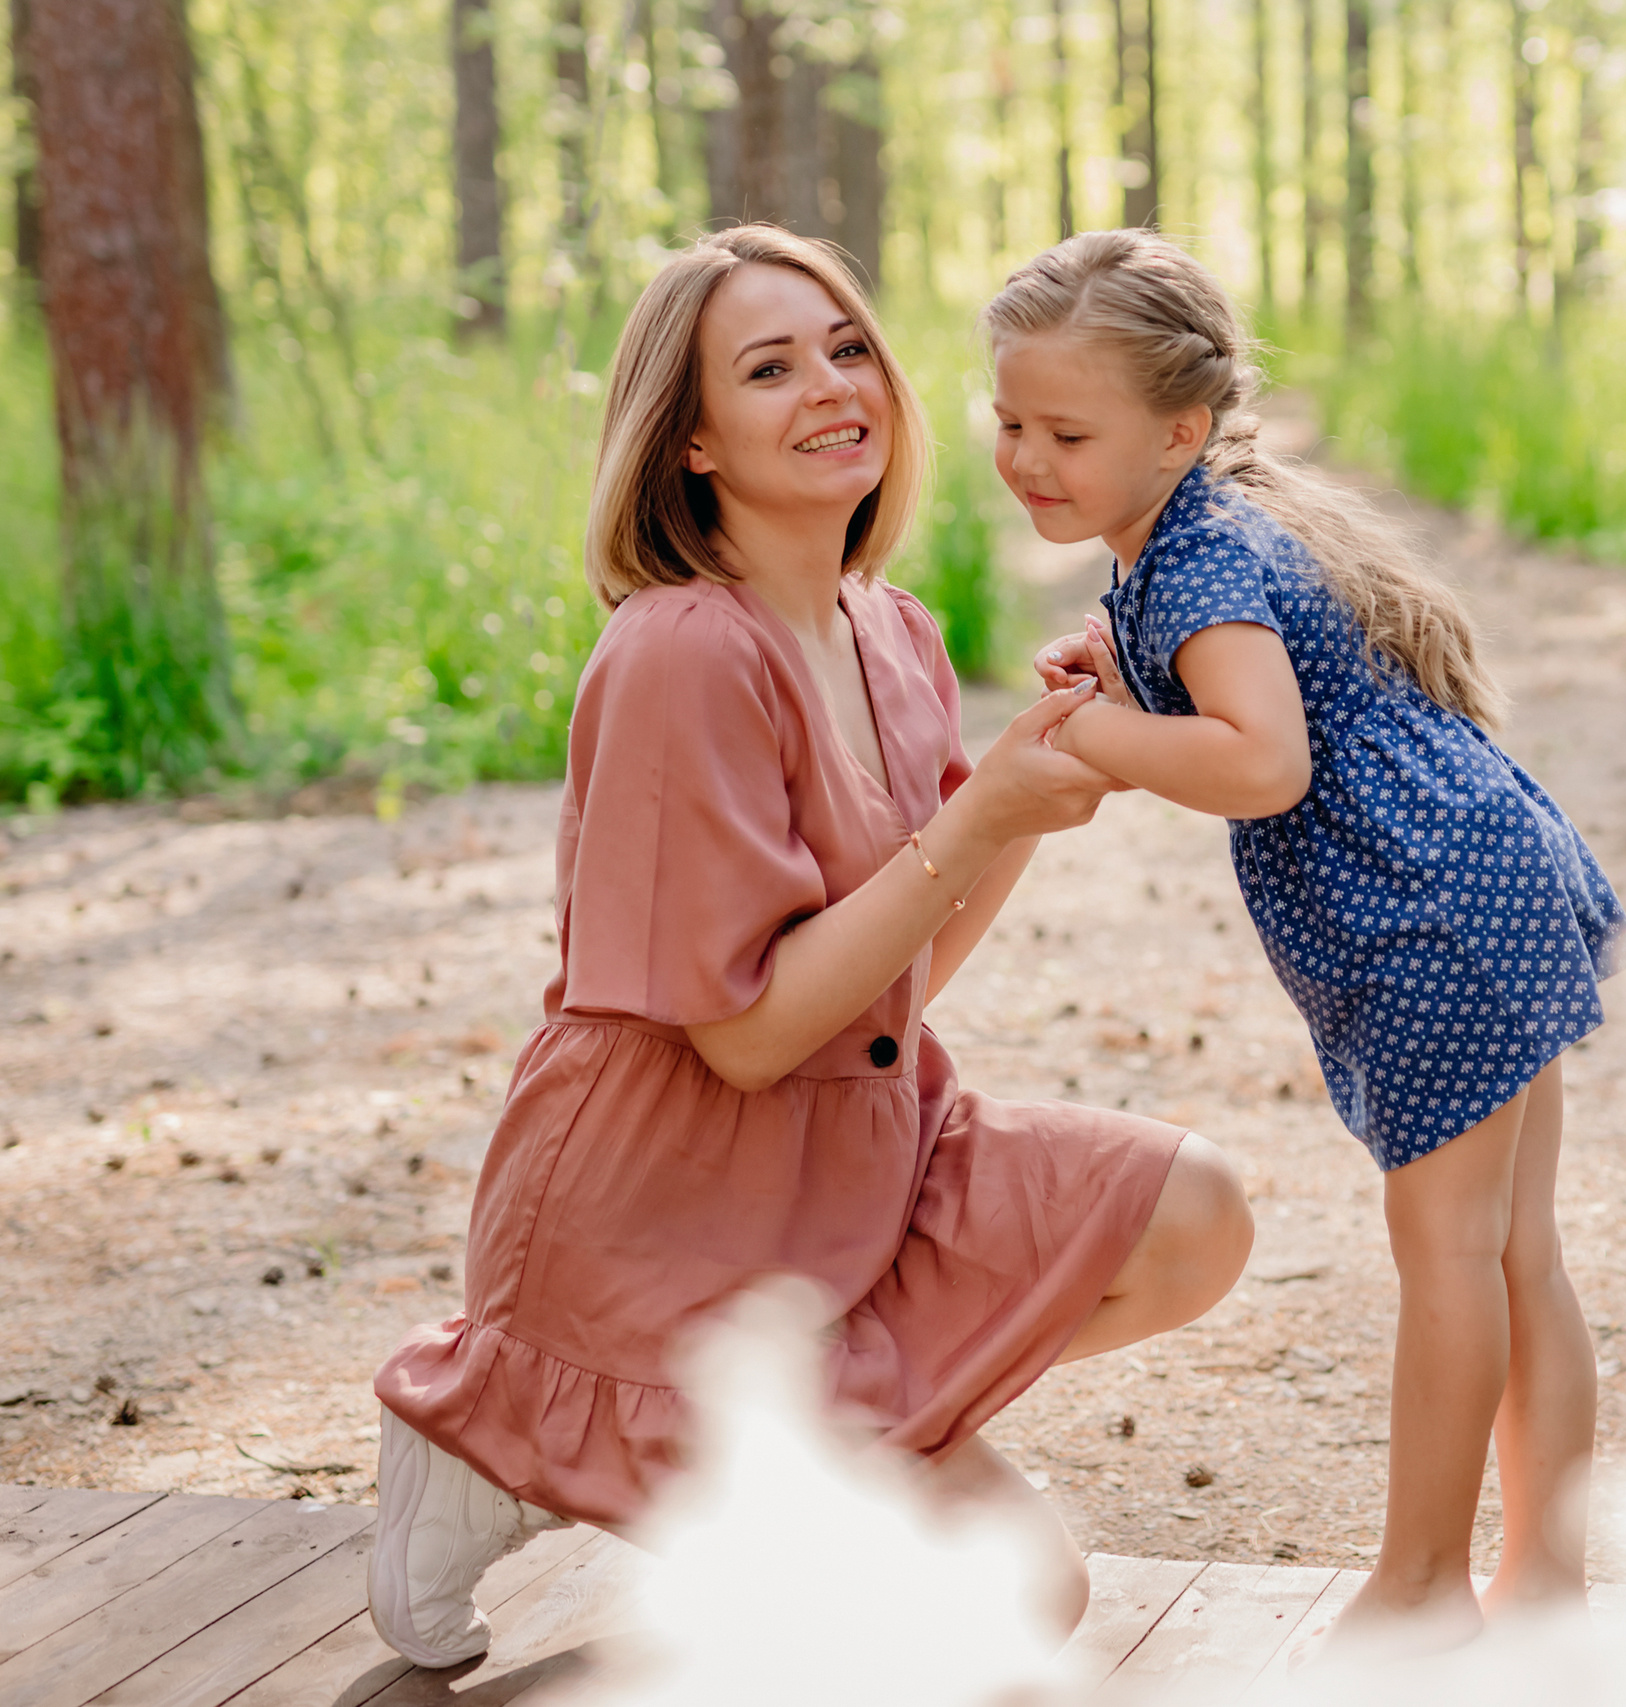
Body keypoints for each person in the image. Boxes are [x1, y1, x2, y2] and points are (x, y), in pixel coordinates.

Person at [366, 225, 1254, 1671]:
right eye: (769, 367)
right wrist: (983, 826)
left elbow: (888, 993)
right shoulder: (677, 654)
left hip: (850, 1182)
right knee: (1017, 1603)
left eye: (848, 348)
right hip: (659, 1236)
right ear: (693, 441)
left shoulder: (890, 629)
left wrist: (1024, 793)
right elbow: (750, 1034)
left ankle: (802, 1472)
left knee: (1195, 1212)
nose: (832, 385)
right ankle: (509, 1437)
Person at [990, 230, 1626, 1646]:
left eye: (1066, 432)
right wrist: (1124, 668)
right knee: (1519, 1249)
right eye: (1012, 423)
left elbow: (1263, 760)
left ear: (1180, 428)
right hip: (1491, 875)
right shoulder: (1216, 528)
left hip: (1428, 919)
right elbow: (1260, 685)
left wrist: (1095, 731)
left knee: (1454, 1254)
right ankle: (1546, 1592)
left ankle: (1420, 1595)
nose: (1028, 457)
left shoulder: (1197, 562)